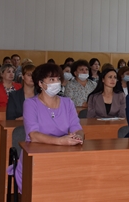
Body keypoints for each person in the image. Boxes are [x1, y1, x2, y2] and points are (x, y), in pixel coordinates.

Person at [10, 63, 84, 193]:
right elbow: (33, 135)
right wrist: (61, 141)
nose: (56, 83)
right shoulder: (30, 104)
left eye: (58, 79)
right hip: (36, 158)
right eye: (51, 80)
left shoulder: (68, 103)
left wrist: (78, 136)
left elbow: (76, 127)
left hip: (63, 155)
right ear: (40, 83)